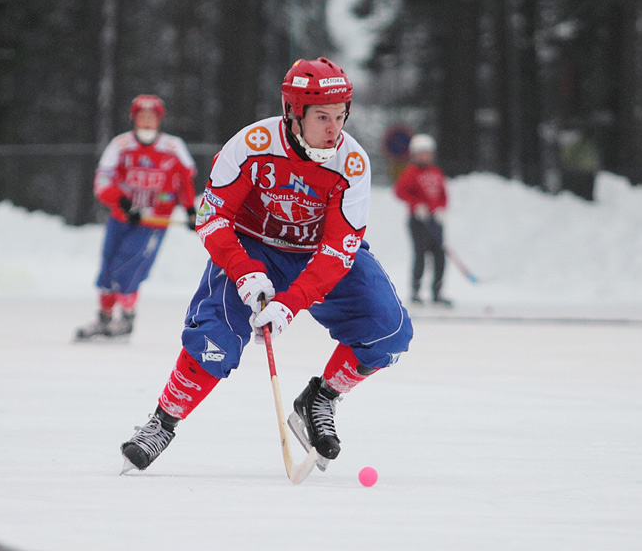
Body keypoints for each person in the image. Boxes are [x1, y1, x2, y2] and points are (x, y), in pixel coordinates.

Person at [119, 58, 413, 474]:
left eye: (342, 116)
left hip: (316, 255)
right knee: (215, 338)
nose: (335, 129)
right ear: (294, 113)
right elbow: (212, 217)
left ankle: (321, 398)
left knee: (391, 331)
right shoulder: (252, 145)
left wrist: (290, 304)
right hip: (254, 249)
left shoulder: (352, 164)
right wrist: (244, 269)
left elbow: (337, 251)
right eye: (323, 117)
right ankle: (162, 421)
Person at [76, 95, 197, 341]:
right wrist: (121, 201)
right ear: (134, 118)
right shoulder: (120, 146)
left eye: (151, 117)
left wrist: (190, 210)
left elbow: (185, 181)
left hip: (153, 223)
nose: (146, 121)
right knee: (108, 268)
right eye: (142, 116)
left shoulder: (173, 147)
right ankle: (105, 318)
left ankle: (127, 318)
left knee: (126, 268)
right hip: (122, 218)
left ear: (159, 120)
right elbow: (102, 180)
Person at [393, 134, 451, 306]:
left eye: (427, 153)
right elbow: (400, 191)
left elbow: (443, 194)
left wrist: (441, 208)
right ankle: (416, 291)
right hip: (418, 221)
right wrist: (416, 205)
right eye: (421, 153)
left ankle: (437, 292)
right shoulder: (411, 173)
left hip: (435, 221)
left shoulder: (436, 172)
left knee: (439, 256)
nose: (425, 156)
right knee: (420, 255)